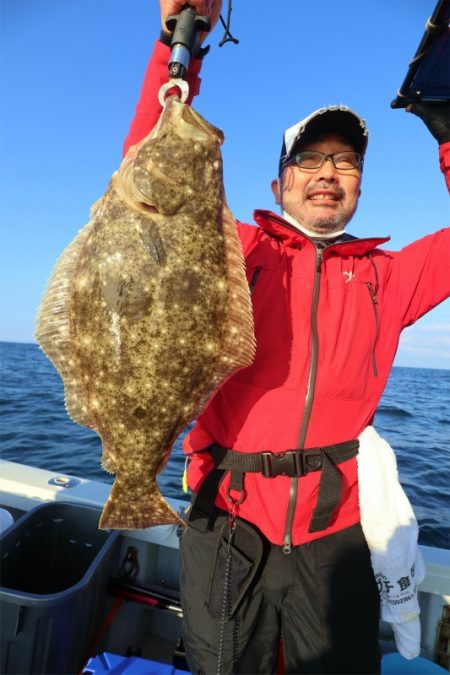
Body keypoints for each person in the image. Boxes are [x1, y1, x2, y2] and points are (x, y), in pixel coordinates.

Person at [123, 1, 450, 673]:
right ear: (280, 183)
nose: (328, 172)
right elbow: (149, 181)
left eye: (346, 162)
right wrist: (177, 44)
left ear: (359, 185)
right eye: (309, 158)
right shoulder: (232, 251)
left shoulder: (389, 277)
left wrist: (448, 133)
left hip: (337, 538)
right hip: (229, 521)